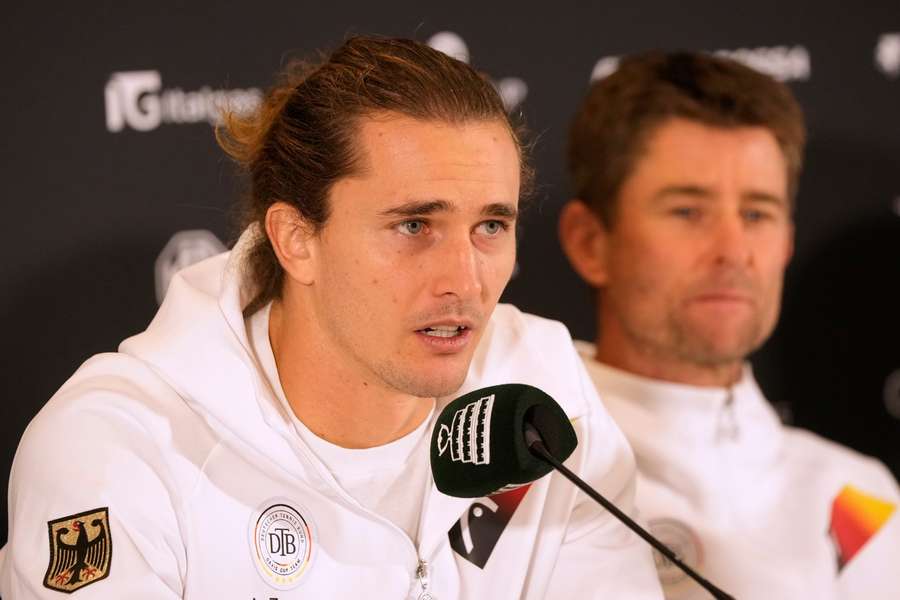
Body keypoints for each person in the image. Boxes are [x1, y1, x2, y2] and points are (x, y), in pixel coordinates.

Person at [0, 36, 662, 598]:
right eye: (413, 225)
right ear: (296, 240)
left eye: (490, 225)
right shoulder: (118, 449)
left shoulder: (547, 394)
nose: (465, 280)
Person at [559, 50, 900, 599]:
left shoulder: (860, 497)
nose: (733, 251)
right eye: (688, 211)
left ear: (786, 240)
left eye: (757, 213)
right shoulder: (515, 478)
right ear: (589, 241)